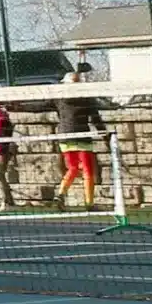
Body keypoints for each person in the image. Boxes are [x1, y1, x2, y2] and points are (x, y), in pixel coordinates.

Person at [54, 64, 106, 208]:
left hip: (65, 137)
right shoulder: (87, 99)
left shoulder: (59, 99)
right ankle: (89, 203)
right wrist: (106, 136)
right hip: (82, 137)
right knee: (88, 170)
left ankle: (60, 194)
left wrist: (17, 106)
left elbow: (39, 106)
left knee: (73, 168)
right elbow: (96, 120)